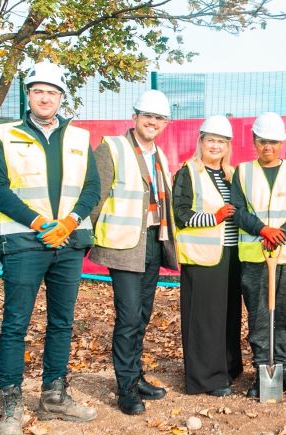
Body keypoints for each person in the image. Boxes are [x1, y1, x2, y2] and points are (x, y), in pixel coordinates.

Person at [0, 61, 100, 435]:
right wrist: (40, 223)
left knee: (62, 323)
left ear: (61, 97)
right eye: (38, 91)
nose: (45, 97)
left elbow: (92, 189)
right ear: (29, 95)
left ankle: (53, 396)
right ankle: (11, 407)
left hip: (67, 243)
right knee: (15, 325)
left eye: (52, 91)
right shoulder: (4, 135)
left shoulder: (80, 138)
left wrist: (67, 223)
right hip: (23, 243)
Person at [89, 89, 178, 415]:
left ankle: (136, 376)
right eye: (147, 116)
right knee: (128, 317)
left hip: (153, 241)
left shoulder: (160, 156)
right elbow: (96, 198)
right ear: (135, 117)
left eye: (158, 118)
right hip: (124, 244)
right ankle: (126, 389)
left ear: (165, 123)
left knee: (141, 316)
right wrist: (94, 236)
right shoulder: (113, 148)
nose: (152, 122)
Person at [230, 112, 286, 398]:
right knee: (259, 315)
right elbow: (237, 211)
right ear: (254, 141)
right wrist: (263, 230)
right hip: (254, 254)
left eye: (274, 142)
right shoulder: (242, 171)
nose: (268, 147)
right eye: (263, 141)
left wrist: (282, 233)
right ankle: (262, 370)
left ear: (283, 143)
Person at [172, 115, 244, 397]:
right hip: (202, 256)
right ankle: (206, 379)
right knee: (205, 319)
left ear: (228, 146)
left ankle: (227, 367)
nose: (215, 146)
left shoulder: (233, 174)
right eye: (210, 140)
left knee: (228, 315)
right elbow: (180, 213)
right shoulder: (188, 172)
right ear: (201, 142)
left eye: (221, 142)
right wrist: (212, 218)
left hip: (231, 254)